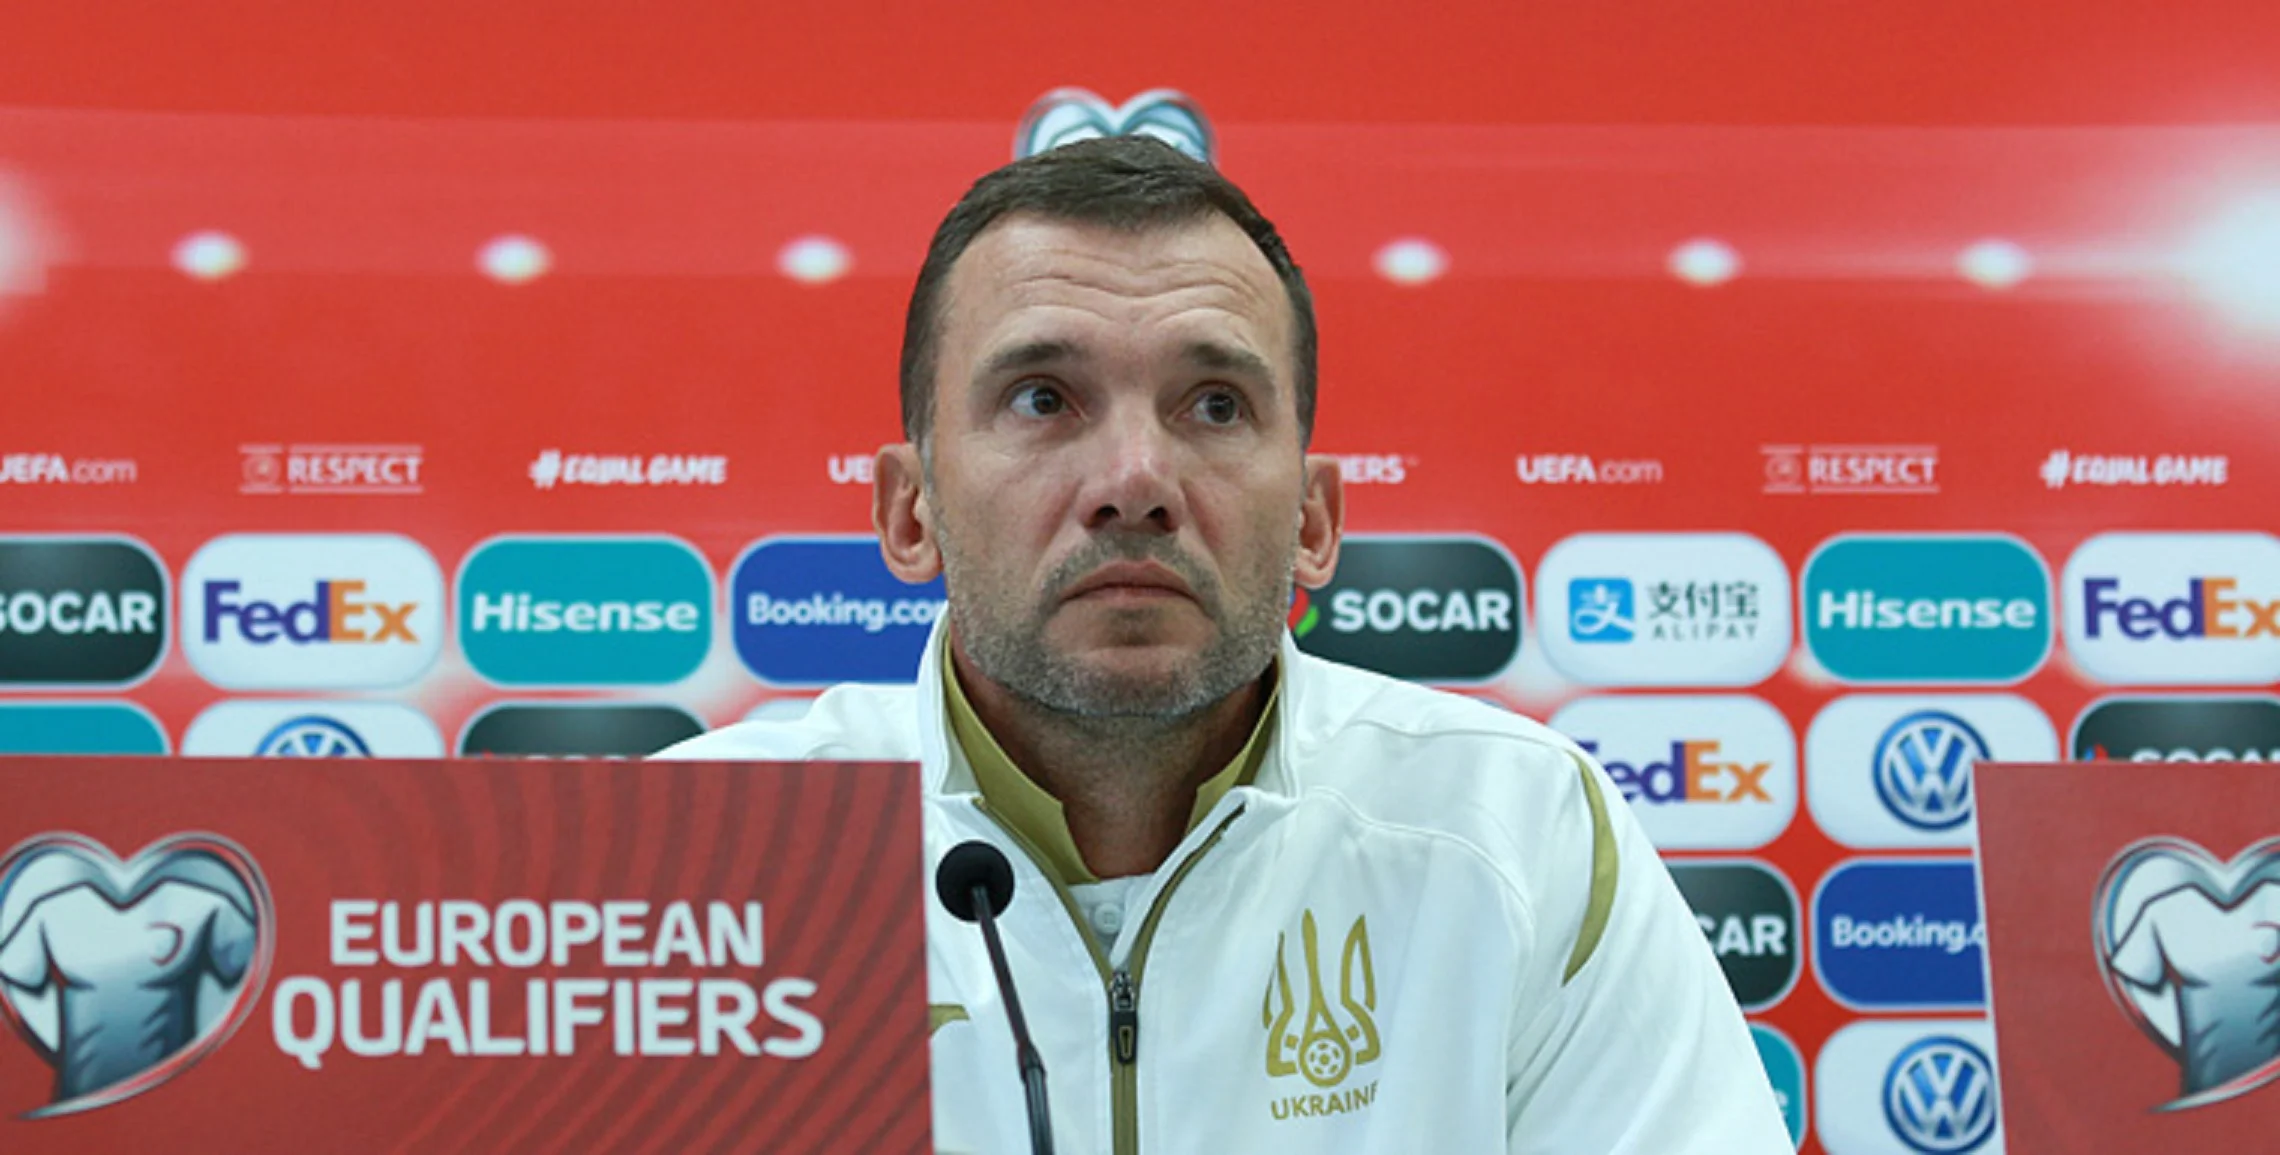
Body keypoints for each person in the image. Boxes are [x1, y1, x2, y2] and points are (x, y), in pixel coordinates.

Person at [658, 134, 1791, 1153]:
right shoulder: (693, 858)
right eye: (1043, 399)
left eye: (1213, 406)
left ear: (1313, 521)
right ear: (910, 512)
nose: (1135, 481)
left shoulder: (1520, 830)